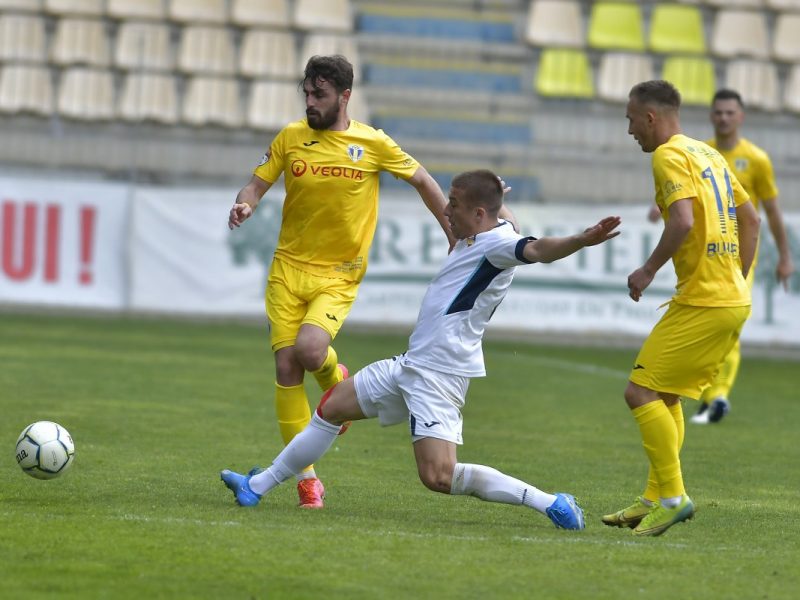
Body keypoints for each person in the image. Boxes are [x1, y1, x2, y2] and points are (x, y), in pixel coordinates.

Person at [221, 169, 621, 529]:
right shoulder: (485, 230)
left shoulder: (499, 245)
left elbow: (536, 249)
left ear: (479, 213)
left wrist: (581, 240)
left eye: (454, 204)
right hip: (413, 364)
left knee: (438, 477)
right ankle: (256, 486)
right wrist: (498, 196)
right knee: (331, 407)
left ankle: (551, 503)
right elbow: (508, 219)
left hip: (439, 375)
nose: (445, 210)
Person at [227, 55, 470, 509]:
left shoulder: (372, 142)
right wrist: (245, 204)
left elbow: (422, 180)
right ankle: (307, 481)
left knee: (310, 351)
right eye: (306, 93)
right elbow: (255, 186)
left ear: (344, 96)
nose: (310, 102)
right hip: (287, 269)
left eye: (319, 95)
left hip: (338, 274)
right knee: (286, 369)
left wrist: (451, 232)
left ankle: (333, 376)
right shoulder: (290, 137)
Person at [605, 81, 760, 536]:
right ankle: (654, 497)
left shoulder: (668, 155)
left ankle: (673, 498)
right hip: (730, 297)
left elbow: (683, 220)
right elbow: (750, 220)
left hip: (704, 300)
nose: (629, 129)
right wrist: (735, 276)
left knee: (639, 393)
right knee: (666, 394)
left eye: (631, 119)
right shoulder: (708, 153)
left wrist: (648, 269)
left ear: (650, 117)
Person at [692, 89, 794, 424]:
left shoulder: (757, 159)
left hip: (741, 256)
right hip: (705, 254)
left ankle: (717, 395)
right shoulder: (700, 153)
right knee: (706, 324)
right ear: (711, 115)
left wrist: (784, 256)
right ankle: (708, 395)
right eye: (718, 112)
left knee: (730, 323)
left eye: (729, 112)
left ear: (741, 117)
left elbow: (772, 211)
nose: (723, 118)